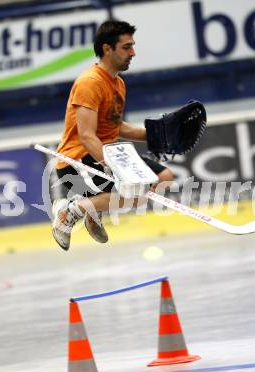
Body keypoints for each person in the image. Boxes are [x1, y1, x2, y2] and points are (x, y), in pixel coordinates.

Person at [52, 20, 174, 251]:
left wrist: (157, 135)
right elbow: (87, 136)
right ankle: (71, 211)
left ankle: (91, 208)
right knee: (129, 192)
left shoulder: (118, 83)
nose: (133, 53)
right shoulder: (90, 82)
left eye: (133, 46)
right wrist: (112, 167)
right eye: (126, 47)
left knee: (165, 178)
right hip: (78, 158)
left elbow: (115, 127)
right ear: (107, 49)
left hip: (110, 152)